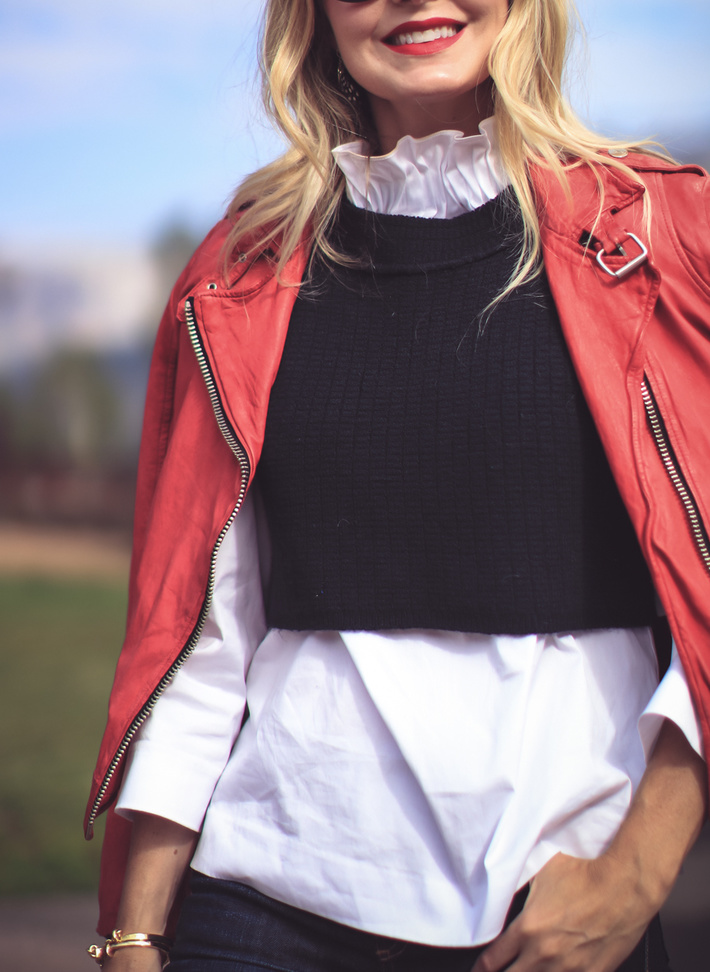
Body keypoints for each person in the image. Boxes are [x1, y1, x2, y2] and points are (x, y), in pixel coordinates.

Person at [85, 1, 710, 970]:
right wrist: (132, 935)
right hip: (258, 904)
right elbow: (208, 633)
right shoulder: (239, 269)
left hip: (556, 916)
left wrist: (636, 868)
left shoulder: (664, 235)